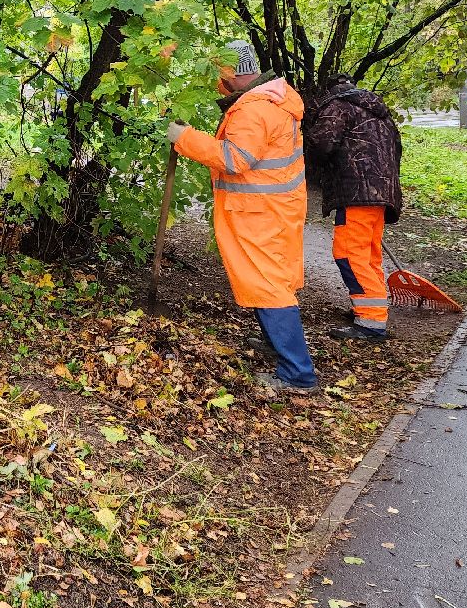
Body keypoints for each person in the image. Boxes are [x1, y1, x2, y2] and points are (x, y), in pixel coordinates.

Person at [168, 41, 317, 393]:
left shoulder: (254, 110)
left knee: (269, 287)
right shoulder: (271, 100)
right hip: (271, 211)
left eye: (219, 73)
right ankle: (275, 345)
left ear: (232, 72)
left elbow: (236, 159)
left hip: (260, 215)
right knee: (267, 282)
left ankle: (298, 375)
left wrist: (185, 138)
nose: (216, 81)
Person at [305, 73, 403, 343]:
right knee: (369, 255)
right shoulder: (380, 113)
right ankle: (374, 309)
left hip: (356, 192)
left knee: (349, 254)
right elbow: (397, 148)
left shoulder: (337, 107)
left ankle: (371, 321)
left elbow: (322, 144)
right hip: (382, 193)